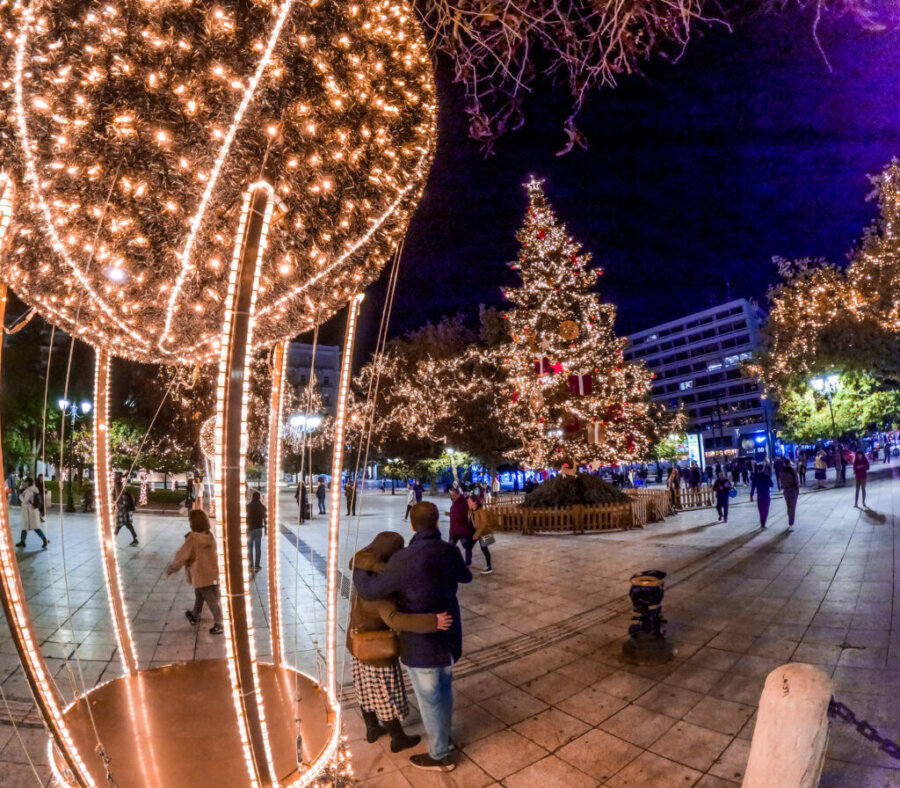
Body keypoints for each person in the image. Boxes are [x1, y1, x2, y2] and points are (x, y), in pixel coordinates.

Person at [354, 501, 472, 772]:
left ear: (412, 526)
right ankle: (445, 738)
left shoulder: (403, 559)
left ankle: (440, 755)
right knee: (444, 690)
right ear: (437, 522)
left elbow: (371, 590)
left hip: (421, 644)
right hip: (449, 637)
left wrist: (359, 566)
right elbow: (466, 577)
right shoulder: (450, 551)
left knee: (430, 700)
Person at [349, 532, 452, 753]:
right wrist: (433, 621)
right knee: (384, 693)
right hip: (377, 649)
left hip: (357, 643)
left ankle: (372, 728)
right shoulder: (379, 589)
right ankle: (397, 738)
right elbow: (394, 619)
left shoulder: (362, 569)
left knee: (364, 689)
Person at [166, 509, 223, 635]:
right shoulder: (209, 535)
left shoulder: (193, 539)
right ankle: (194, 614)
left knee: (210, 599)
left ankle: (219, 623)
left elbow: (182, 555)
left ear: (194, 523)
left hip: (201, 574)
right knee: (200, 594)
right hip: (212, 572)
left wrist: (171, 568)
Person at [17, 477, 48, 549]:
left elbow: (25, 500)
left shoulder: (29, 490)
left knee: (33, 527)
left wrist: (20, 495)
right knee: (26, 526)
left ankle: (44, 539)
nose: (24, 483)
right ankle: (22, 541)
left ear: (28, 482)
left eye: (25, 482)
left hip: (29, 511)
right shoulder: (34, 489)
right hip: (32, 511)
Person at [447, 489, 474, 567]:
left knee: (467, 547)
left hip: (463, 530)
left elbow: (463, 517)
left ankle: (468, 563)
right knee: (450, 547)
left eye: (454, 495)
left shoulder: (464, 503)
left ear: (459, 495)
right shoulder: (454, 502)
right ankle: (449, 562)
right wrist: (450, 514)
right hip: (453, 529)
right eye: (452, 495)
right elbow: (456, 513)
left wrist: (452, 515)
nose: (452, 497)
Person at [468, 496, 494, 574]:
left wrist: (476, 534)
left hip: (483, 532)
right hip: (476, 532)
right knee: (468, 547)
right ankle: (467, 564)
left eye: (469, 501)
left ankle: (489, 567)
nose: (468, 503)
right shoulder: (471, 510)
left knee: (484, 549)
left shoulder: (481, 511)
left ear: (474, 502)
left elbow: (483, 524)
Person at [115, 477, 139, 546]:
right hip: (125, 512)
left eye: (116, 487)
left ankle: (112, 539)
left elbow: (124, 504)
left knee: (119, 526)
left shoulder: (122, 494)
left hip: (124, 513)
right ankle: (135, 539)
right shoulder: (122, 493)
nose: (116, 488)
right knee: (127, 525)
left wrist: (119, 506)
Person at [247, 491, 267, 572]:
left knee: (250, 547)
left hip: (249, 529)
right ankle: (257, 565)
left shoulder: (247, 507)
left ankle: (250, 565)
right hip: (258, 529)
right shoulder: (262, 507)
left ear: (252, 497)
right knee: (258, 548)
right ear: (259, 498)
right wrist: (266, 530)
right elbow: (265, 519)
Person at [749, 462, 773, 529]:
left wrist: (751, 496)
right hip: (766, 495)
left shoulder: (755, 478)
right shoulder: (766, 476)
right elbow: (772, 484)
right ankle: (763, 522)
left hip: (759, 496)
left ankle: (762, 522)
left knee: (761, 510)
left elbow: (753, 487)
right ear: (763, 469)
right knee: (765, 510)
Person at [779, 458, 800, 528]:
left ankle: (790, 518)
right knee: (792, 507)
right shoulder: (792, 471)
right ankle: (791, 522)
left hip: (786, 491)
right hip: (793, 490)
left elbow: (781, 482)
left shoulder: (782, 472)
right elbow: (796, 481)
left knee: (788, 506)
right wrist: (797, 490)